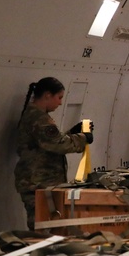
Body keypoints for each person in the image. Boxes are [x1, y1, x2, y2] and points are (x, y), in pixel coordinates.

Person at [14, 77, 93, 230]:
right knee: (41, 228)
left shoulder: (37, 116)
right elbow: (57, 144)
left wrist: (72, 132)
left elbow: (49, 142)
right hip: (38, 182)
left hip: (42, 182)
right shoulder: (38, 118)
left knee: (50, 225)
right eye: (59, 97)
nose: (60, 103)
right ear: (47, 95)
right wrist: (83, 138)